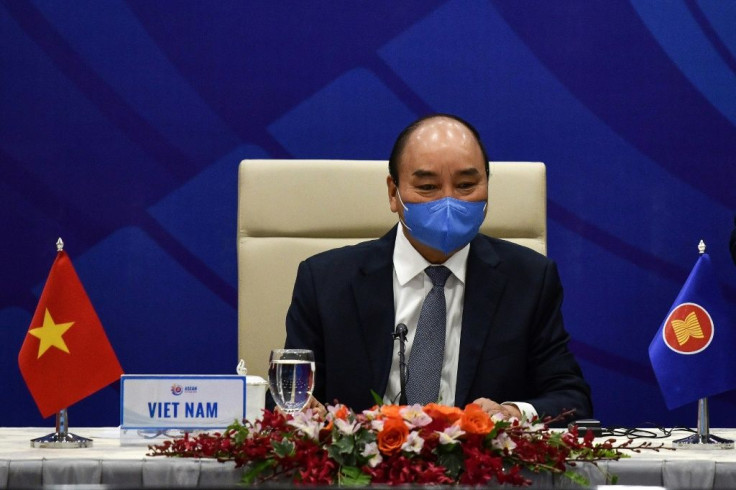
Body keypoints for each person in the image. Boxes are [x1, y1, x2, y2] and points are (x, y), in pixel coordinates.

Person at [284, 114, 592, 424]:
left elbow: (571, 399)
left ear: (487, 186)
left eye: (466, 185)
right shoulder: (325, 282)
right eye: (428, 186)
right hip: (360, 469)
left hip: (481, 469)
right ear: (393, 193)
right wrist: (305, 412)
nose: (448, 201)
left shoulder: (529, 280)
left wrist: (511, 413)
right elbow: (286, 395)